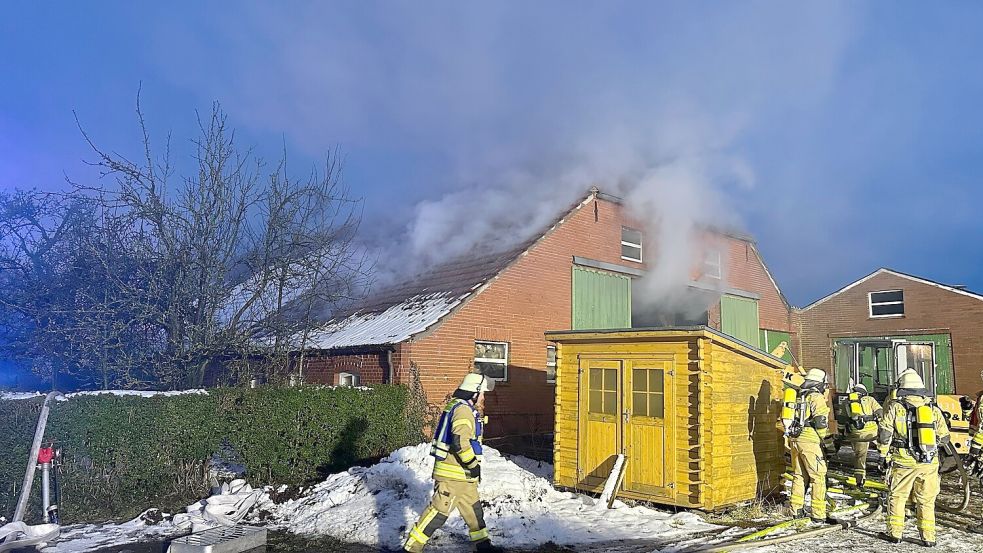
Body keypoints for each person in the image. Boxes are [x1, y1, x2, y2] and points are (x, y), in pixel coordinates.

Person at [403, 373, 502, 553]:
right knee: (438, 513)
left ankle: (483, 546)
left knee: (474, 512)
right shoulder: (463, 410)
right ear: (474, 392)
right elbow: (460, 441)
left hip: (463, 476)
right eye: (482, 393)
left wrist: (472, 470)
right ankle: (411, 549)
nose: (483, 397)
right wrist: (473, 464)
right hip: (454, 475)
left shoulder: (461, 406)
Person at [875, 370, 950, 547]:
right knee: (926, 500)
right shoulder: (932, 408)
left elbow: (885, 434)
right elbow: (945, 437)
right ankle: (928, 537)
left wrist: (882, 455)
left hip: (903, 462)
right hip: (929, 462)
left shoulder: (895, 407)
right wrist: (929, 445)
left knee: (898, 496)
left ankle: (895, 534)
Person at [786, 368, 835, 522]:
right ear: (819, 383)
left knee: (800, 476)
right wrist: (826, 441)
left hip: (795, 440)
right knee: (818, 477)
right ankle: (818, 514)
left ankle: (796, 510)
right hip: (810, 441)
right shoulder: (816, 397)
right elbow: (821, 421)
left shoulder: (799, 396)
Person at [846, 383, 883, 487]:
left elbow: (842, 420)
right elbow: (880, 412)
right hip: (872, 433)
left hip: (857, 435)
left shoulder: (847, 402)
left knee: (860, 456)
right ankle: (884, 467)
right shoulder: (870, 399)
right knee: (885, 449)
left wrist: (843, 432)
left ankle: (860, 480)